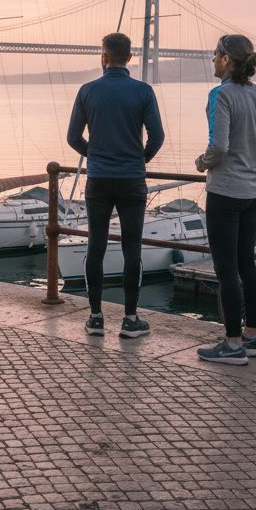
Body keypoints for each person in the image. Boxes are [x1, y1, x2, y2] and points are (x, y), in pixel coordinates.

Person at [194, 34, 256, 365]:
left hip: (226, 191)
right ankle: (251, 337)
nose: (212, 59)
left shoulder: (220, 95)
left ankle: (232, 344)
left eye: (215, 54)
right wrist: (253, 156)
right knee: (247, 263)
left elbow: (218, 146)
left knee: (226, 269)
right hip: (255, 192)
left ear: (225, 59)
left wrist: (203, 162)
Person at [66, 32, 165, 339]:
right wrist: (140, 159)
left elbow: (72, 137)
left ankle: (96, 318)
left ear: (104, 57)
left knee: (95, 246)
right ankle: (130, 320)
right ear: (130, 58)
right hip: (131, 180)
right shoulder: (144, 92)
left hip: (98, 179)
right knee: (131, 248)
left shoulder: (87, 91)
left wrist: (94, 155)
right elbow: (157, 137)